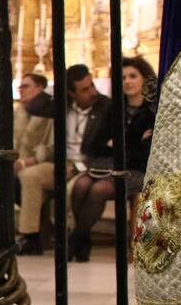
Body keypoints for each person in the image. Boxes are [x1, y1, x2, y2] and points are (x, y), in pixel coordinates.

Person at [66, 56, 157, 262]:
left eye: (133, 76)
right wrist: (130, 144)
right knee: (81, 184)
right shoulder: (114, 108)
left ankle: (75, 239)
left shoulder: (153, 110)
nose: (127, 81)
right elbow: (95, 146)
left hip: (139, 171)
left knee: (99, 189)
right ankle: (83, 240)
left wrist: (118, 145)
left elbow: (145, 154)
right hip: (111, 167)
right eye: (123, 77)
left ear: (145, 78)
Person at [15, 63, 111, 253]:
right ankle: (31, 236)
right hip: (60, 163)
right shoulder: (64, 105)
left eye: (92, 85)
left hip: (87, 166)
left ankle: (74, 237)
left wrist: (79, 167)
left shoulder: (105, 107)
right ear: (71, 93)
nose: (92, 92)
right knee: (29, 175)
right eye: (85, 89)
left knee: (73, 189)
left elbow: (105, 151)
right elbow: (34, 105)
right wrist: (59, 90)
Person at [0, 72, 54, 249]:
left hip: (39, 163)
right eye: (20, 86)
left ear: (40, 88)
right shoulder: (21, 110)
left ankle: (24, 236)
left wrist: (27, 161)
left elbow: (51, 146)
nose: (21, 90)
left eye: (26, 86)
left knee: (7, 181)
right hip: (16, 163)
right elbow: (9, 139)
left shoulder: (50, 110)